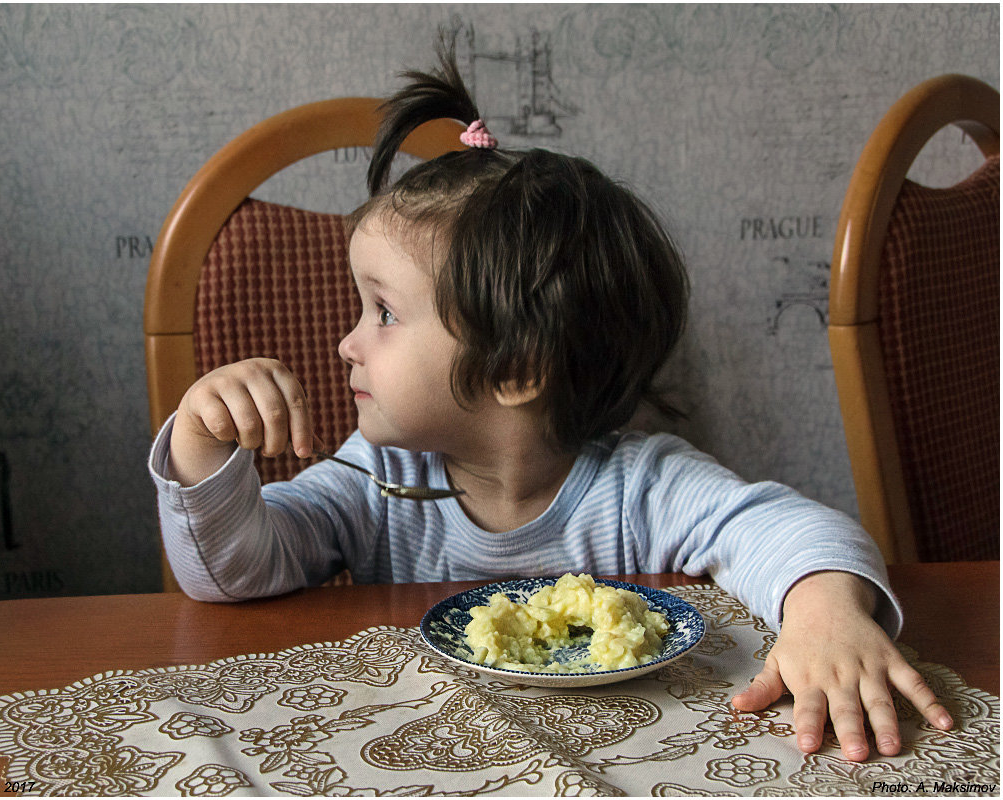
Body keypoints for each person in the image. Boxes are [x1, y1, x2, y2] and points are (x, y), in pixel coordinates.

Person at [149, 40, 952, 762]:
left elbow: (789, 527)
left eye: (383, 313)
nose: (345, 343)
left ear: (516, 369)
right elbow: (235, 572)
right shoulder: (377, 478)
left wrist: (822, 617)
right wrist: (201, 444)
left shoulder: (637, 486)